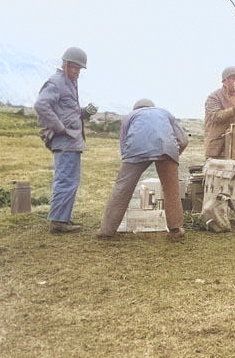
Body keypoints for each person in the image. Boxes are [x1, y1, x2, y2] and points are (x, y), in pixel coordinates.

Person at [97, 99, 189, 240]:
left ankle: (106, 231)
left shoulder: (130, 116)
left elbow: (123, 143)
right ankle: (176, 229)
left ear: (136, 108)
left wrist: (128, 161)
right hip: (166, 149)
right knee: (171, 190)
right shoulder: (165, 113)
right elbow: (183, 140)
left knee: (122, 188)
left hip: (136, 150)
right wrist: (174, 156)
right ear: (152, 107)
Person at [34, 47, 95, 234]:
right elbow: (41, 105)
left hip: (72, 141)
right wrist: (59, 127)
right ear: (65, 64)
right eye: (74, 67)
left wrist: (83, 113)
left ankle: (62, 218)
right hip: (65, 140)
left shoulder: (69, 83)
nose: (77, 72)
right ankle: (58, 221)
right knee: (66, 180)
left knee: (70, 180)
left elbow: (66, 110)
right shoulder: (56, 82)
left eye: (79, 69)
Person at [204, 66, 235, 158]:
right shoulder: (214, 97)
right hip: (217, 148)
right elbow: (216, 116)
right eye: (234, 79)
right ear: (225, 81)